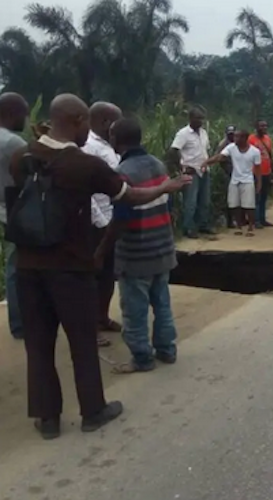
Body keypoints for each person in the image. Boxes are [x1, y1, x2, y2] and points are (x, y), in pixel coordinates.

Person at [9, 94, 190, 439]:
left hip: (29, 266)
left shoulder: (23, 157)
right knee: (81, 342)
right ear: (78, 121)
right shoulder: (84, 165)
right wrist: (166, 187)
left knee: (39, 344)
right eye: (85, 125)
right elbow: (131, 196)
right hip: (72, 267)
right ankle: (93, 410)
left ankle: (48, 420)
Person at [96, 118, 179, 374]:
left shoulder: (123, 174)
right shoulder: (157, 164)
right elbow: (168, 205)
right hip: (163, 248)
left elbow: (121, 219)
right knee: (162, 302)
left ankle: (142, 358)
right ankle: (167, 350)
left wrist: (102, 250)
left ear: (114, 139)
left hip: (136, 254)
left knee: (134, 311)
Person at [81, 102, 123, 345]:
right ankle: (89, 328)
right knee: (92, 275)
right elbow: (86, 190)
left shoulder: (108, 146)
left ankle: (102, 317)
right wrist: (100, 222)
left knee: (108, 274)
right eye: (116, 123)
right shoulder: (89, 148)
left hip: (110, 219)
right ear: (106, 122)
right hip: (95, 222)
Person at [0, 92, 29, 340]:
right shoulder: (14, 143)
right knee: (17, 265)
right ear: (11, 113)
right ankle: (21, 323)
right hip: (15, 209)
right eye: (24, 113)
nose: (27, 118)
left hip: (3, 207)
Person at [202, 129, 262, 237]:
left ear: (245, 138)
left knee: (249, 205)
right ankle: (239, 226)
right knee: (235, 205)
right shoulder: (231, 147)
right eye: (235, 137)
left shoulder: (254, 152)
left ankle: (250, 227)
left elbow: (257, 169)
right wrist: (207, 162)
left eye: (238, 137)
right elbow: (220, 157)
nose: (235, 139)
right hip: (235, 180)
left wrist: (258, 184)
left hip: (247, 180)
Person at [168, 108, 216, 240]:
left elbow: (205, 150)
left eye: (202, 118)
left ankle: (203, 225)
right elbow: (173, 150)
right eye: (197, 118)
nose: (200, 121)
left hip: (204, 170)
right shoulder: (183, 134)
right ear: (190, 119)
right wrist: (182, 167)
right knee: (191, 201)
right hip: (191, 171)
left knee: (204, 200)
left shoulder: (204, 133)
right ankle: (188, 227)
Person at [249, 120, 273, 229]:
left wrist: (272, 171)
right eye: (261, 126)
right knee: (256, 197)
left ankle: (263, 219)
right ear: (256, 127)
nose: (264, 127)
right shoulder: (251, 139)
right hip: (255, 172)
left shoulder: (268, 139)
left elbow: (270, 156)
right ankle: (256, 220)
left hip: (266, 172)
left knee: (264, 196)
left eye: (265, 125)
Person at [215, 126, 237, 229]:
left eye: (233, 133)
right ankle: (230, 221)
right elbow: (219, 158)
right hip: (227, 173)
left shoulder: (237, 143)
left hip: (237, 173)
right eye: (230, 133)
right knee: (230, 197)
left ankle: (237, 219)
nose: (231, 135)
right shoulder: (223, 144)